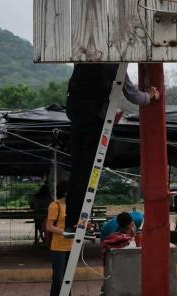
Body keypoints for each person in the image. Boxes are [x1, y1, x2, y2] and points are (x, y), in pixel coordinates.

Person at [64, 63, 159, 234]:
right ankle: (78, 222)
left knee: (76, 172)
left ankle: (71, 221)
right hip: (95, 121)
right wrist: (150, 95)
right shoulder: (115, 65)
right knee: (87, 172)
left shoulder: (81, 62)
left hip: (76, 120)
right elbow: (132, 95)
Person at [46, 182, 72, 296]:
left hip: (71, 246)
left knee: (68, 278)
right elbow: (49, 226)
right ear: (66, 192)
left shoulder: (72, 206)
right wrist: (64, 232)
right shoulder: (55, 205)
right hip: (58, 247)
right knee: (58, 279)